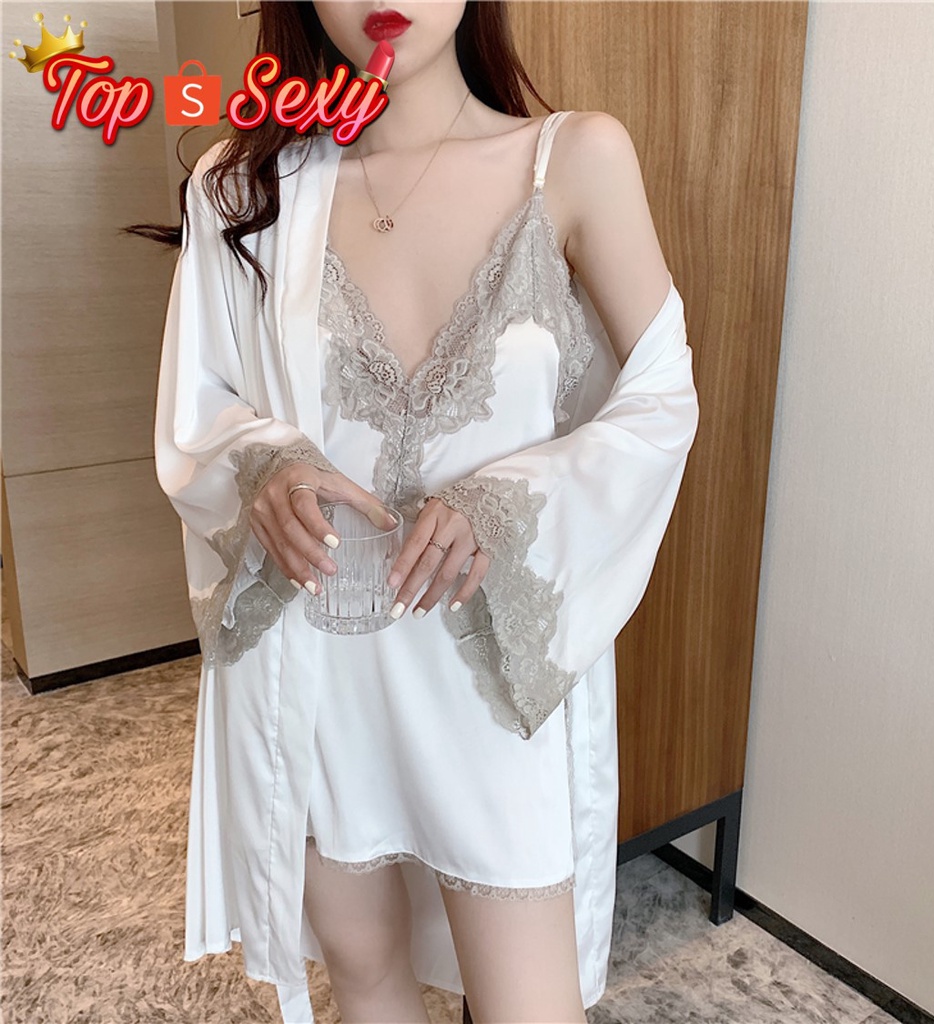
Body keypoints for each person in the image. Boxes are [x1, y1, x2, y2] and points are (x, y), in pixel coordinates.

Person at [143, 1, 699, 1021]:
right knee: (363, 975)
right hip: (323, 664)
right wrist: (265, 464)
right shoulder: (243, 191)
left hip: (492, 675)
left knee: (529, 1004)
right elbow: (199, 405)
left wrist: (505, 504)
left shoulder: (575, 160)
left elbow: (661, 397)